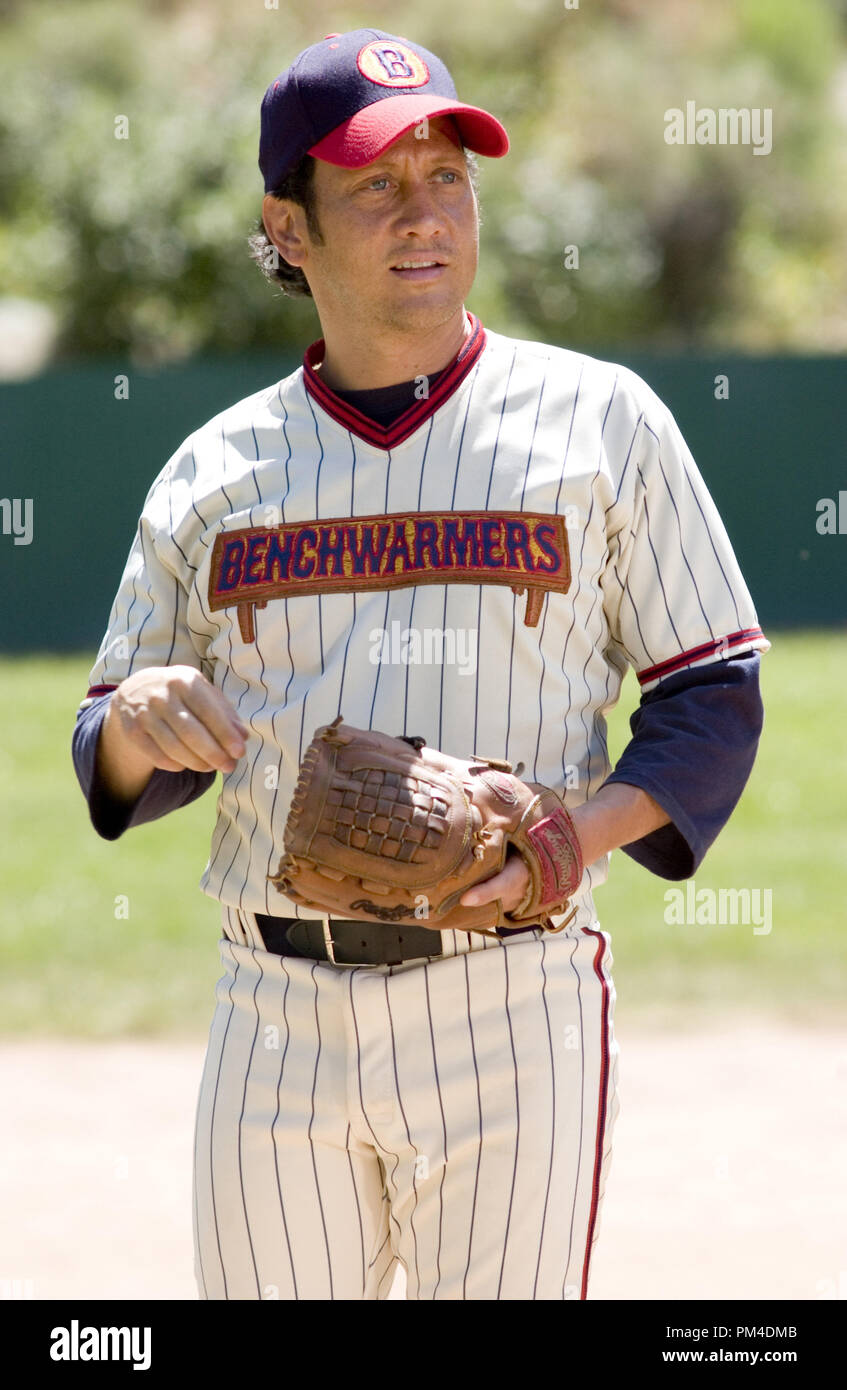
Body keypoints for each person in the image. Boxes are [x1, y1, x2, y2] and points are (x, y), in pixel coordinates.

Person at [72, 28, 768, 1301]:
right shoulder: (216, 470)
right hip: (276, 1002)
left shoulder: (601, 421)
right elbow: (112, 750)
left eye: (447, 175)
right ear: (289, 228)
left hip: (511, 998)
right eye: (376, 185)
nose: (424, 213)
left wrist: (576, 833)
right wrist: (140, 718)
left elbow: (712, 696)